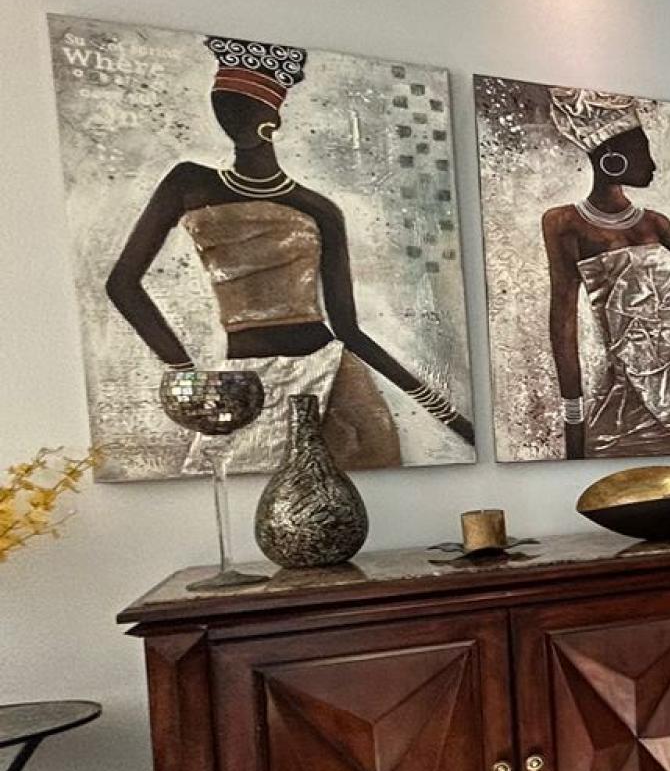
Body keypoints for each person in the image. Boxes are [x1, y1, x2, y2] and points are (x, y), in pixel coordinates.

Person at [104, 35, 469, 471]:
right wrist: (185, 373)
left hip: (333, 379)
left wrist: (448, 414)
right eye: (222, 107)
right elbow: (123, 284)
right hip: (246, 382)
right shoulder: (190, 182)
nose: (229, 118)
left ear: (271, 120)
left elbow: (348, 329)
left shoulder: (317, 209)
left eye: (240, 109)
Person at [538, 88, 670, 458]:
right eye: (642, 150)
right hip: (622, 388)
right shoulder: (564, 223)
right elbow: (563, 322)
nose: (652, 163)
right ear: (612, 156)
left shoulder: (658, 224)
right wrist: (573, 417)